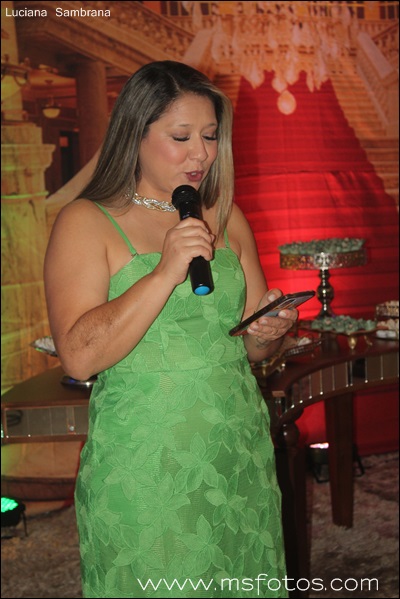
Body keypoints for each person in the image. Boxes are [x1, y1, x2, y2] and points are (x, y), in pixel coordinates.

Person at [44, 60, 297, 598]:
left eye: (209, 136)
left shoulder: (225, 216)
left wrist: (268, 328)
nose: (200, 154)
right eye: (181, 137)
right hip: (147, 458)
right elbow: (79, 356)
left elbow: (250, 349)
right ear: (135, 135)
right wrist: (163, 273)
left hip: (236, 450)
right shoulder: (86, 221)